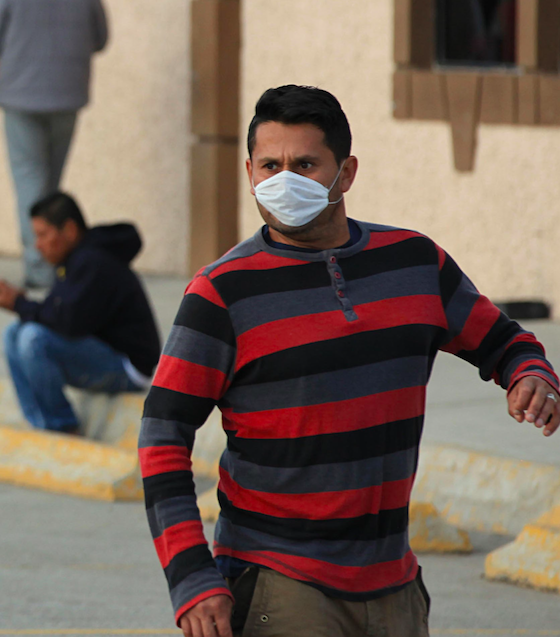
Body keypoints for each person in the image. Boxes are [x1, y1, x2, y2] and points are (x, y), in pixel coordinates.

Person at [141, 85, 560, 637]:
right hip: (278, 583)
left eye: (305, 164)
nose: (284, 180)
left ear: (347, 172)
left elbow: (506, 342)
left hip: (396, 589)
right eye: (270, 165)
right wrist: (192, 577)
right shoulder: (221, 294)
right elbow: (162, 436)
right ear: (249, 172)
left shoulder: (415, 263)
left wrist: (531, 376)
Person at [0, 0, 108, 288]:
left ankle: (39, 266)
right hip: (68, 95)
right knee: (51, 181)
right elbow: (100, 39)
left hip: (20, 98)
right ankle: (59, 255)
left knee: (29, 181)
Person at [0, 192, 161, 434]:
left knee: (33, 338)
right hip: (101, 351)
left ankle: (60, 426)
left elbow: (66, 322)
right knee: (13, 333)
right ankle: (39, 421)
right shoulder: (74, 260)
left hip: (128, 367)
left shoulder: (93, 262)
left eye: (43, 235)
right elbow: (59, 312)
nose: (38, 245)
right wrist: (20, 303)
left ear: (69, 230)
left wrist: (19, 305)